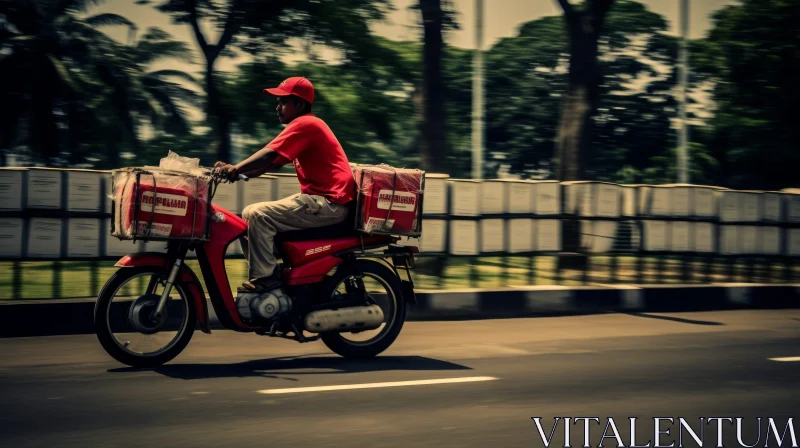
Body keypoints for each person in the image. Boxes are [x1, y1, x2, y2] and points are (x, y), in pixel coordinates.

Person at [213, 76, 357, 293]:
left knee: (257, 214)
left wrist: (236, 168)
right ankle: (279, 273)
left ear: (299, 104)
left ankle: (267, 278)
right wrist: (235, 171)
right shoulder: (304, 126)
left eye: (283, 101)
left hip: (330, 203)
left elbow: (269, 154)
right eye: (277, 102)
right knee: (246, 222)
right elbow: (270, 165)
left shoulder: (305, 123)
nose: (277, 107)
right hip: (319, 201)